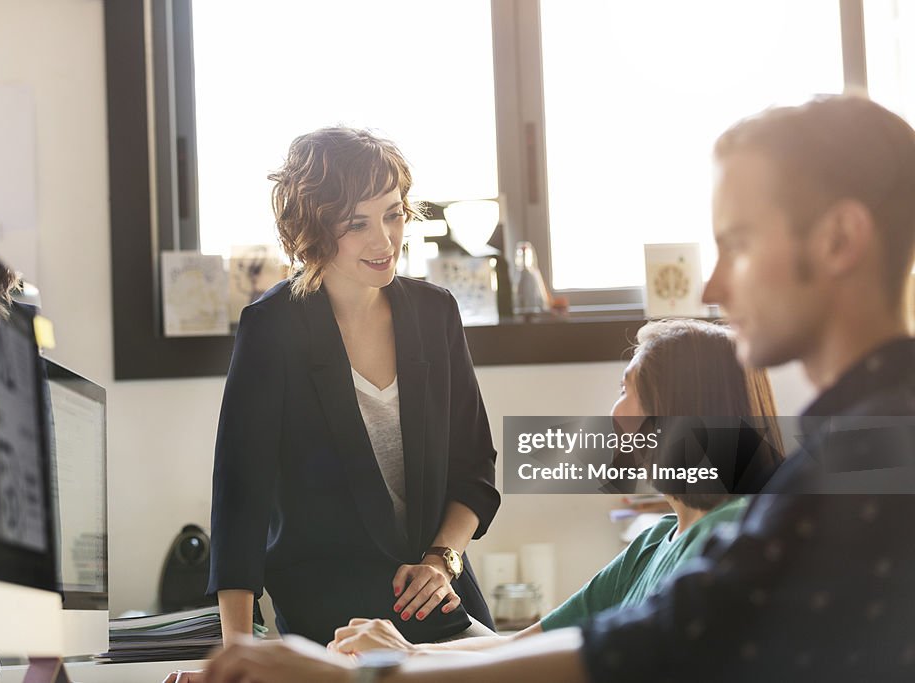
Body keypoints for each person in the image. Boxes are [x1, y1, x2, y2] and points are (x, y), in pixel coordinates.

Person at [200, 94, 915, 683]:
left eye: (740, 242)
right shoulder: (804, 480)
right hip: (340, 607)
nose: (711, 286)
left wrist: (376, 665)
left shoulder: (857, 472)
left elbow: (651, 642)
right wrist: (370, 657)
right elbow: (598, 636)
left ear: (839, 240)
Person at [328, 319, 782, 655]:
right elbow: (527, 648)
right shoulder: (652, 544)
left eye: (627, 391)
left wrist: (406, 657)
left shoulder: (731, 537)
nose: (615, 413)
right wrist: (422, 637)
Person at [207, 128, 501, 647]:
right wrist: (238, 649)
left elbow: (474, 467)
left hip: (436, 591)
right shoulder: (272, 327)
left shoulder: (435, 314)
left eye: (393, 213)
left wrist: (443, 559)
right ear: (314, 230)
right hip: (328, 609)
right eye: (356, 224)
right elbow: (240, 499)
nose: (384, 240)